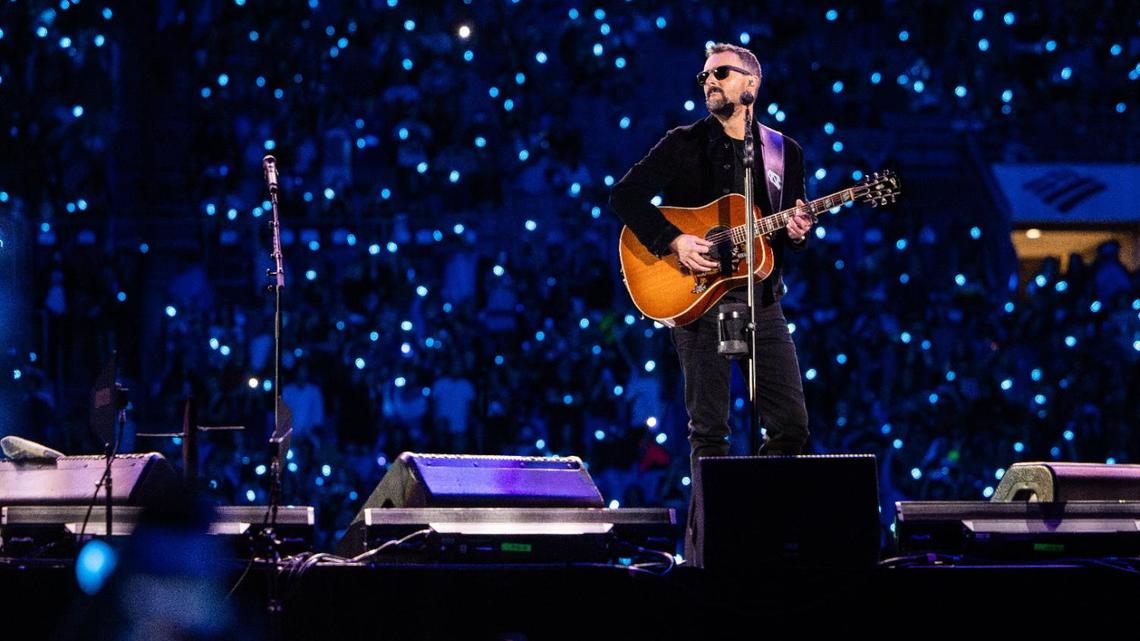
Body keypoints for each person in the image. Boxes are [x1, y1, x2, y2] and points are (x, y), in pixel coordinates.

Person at [610, 43, 813, 474]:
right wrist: (674, 241)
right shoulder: (683, 143)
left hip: (762, 300)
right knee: (709, 431)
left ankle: (759, 508)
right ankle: (716, 516)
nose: (708, 82)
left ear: (751, 83)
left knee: (791, 427)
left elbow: (786, 231)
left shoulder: (784, 152)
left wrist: (797, 233)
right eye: (704, 76)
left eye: (720, 73)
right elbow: (624, 196)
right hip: (697, 298)